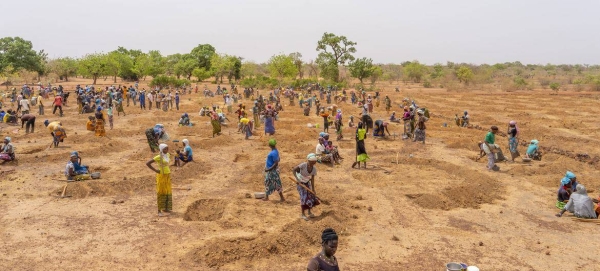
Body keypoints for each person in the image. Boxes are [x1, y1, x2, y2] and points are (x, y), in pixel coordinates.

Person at [146, 144, 173, 217]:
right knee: (160, 191)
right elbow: (148, 163)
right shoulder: (158, 157)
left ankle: (166, 208)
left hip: (167, 175)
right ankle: (159, 210)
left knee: (167, 190)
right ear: (161, 149)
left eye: (167, 149)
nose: (166, 150)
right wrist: (155, 170)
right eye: (164, 149)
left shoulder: (167, 155)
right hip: (161, 175)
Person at [293, 153, 319, 221]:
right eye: (312, 162)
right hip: (300, 184)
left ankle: (309, 212)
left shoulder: (314, 169)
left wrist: (313, 189)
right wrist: (297, 180)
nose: (313, 163)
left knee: (310, 197)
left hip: (307, 183)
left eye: (314, 162)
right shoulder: (303, 165)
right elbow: (294, 170)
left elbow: (312, 179)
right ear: (308, 161)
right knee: (303, 198)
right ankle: (303, 214)